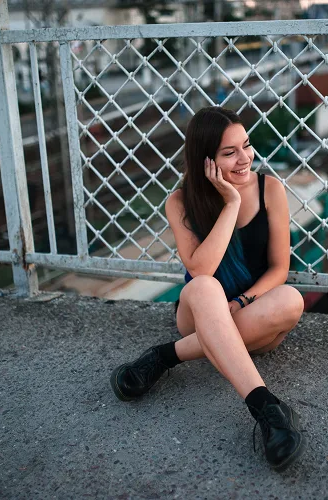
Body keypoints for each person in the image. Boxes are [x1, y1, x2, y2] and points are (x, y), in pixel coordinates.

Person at [110, 106, 306, 471]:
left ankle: (166, 356)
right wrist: (230, 202)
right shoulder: (180, 201)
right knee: (203, 286)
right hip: (199, 316)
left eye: (246, 146)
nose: (245, 158)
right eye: (229, 153)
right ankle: (268, 410)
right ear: (206, 161)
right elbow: (200, 268)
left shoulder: (270, 189)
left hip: (254, 311)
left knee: (292, 300)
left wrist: (242, 300)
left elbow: (281, 268)